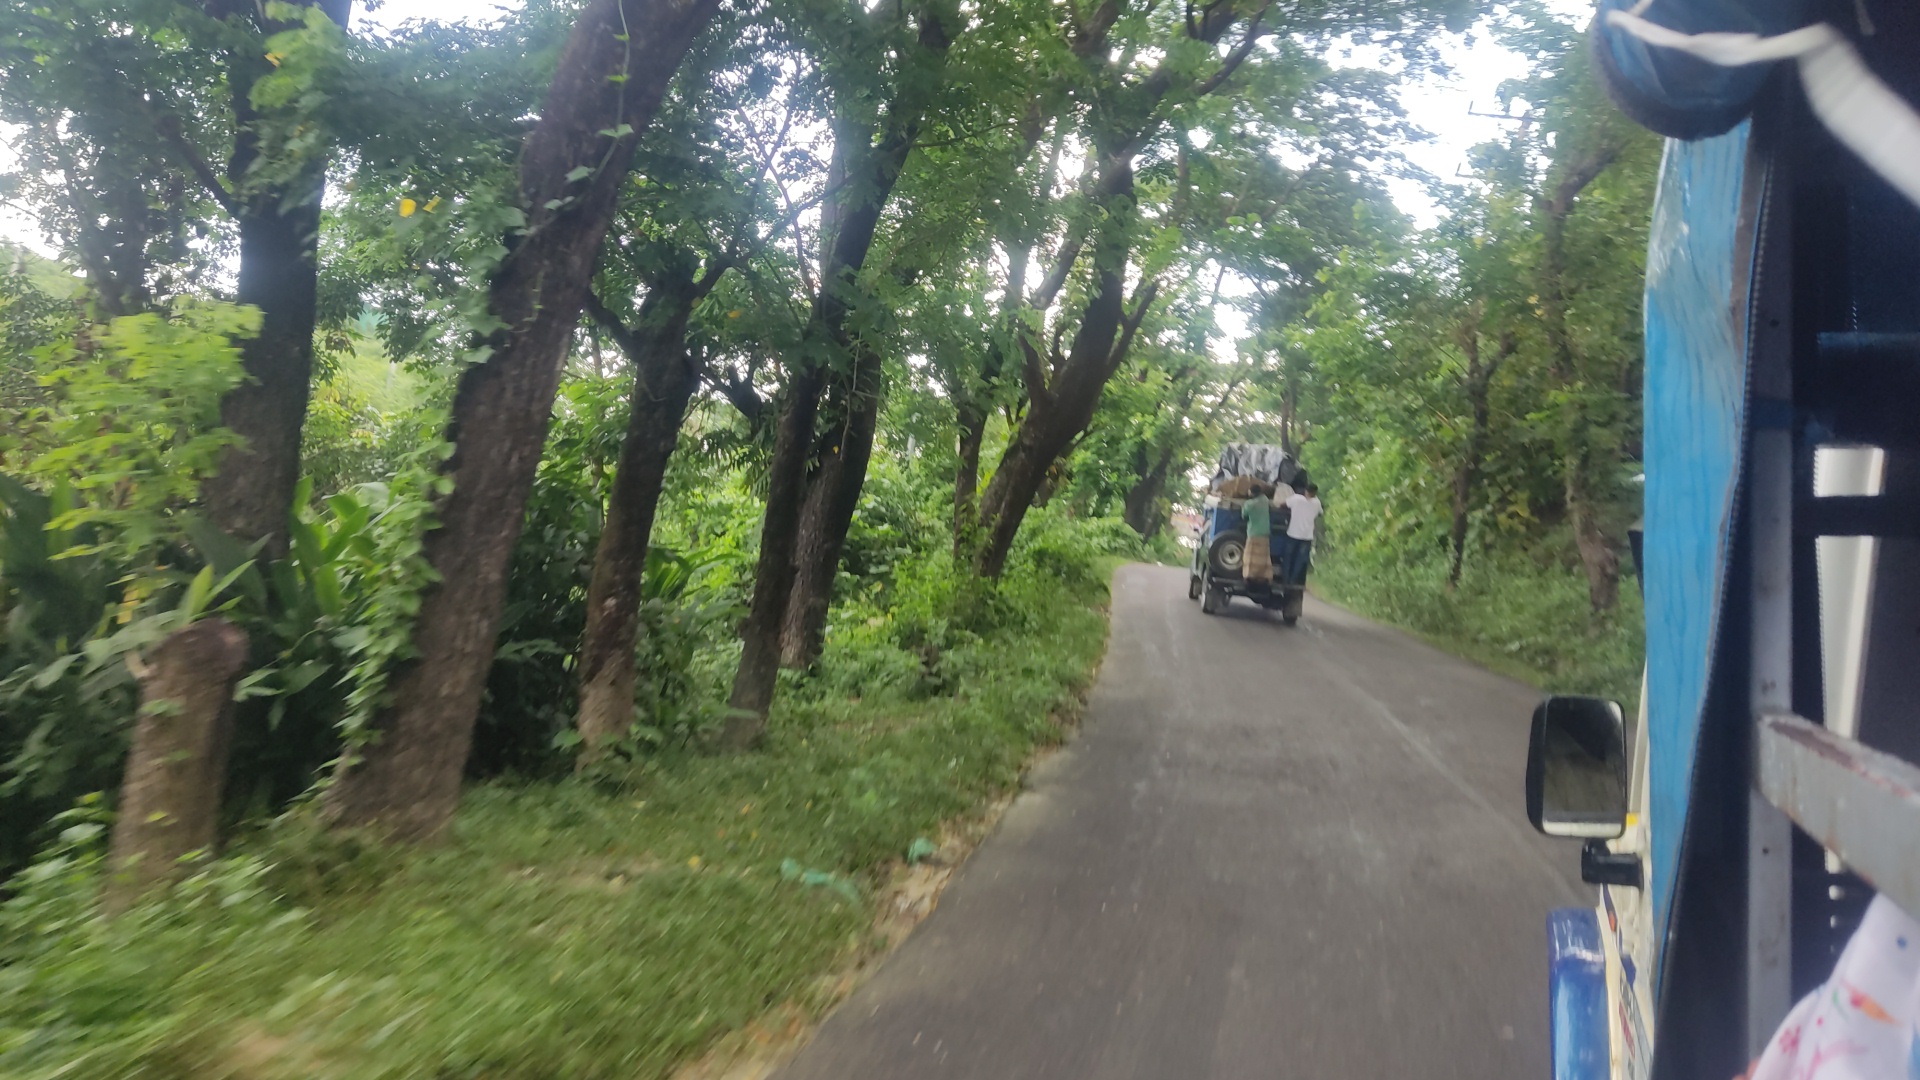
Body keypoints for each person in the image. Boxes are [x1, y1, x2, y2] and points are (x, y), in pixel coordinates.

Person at [1279, 483, 1320, 585]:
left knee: (1288, 557)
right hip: (1307, 536)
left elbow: (1282, 504)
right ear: (1315, 493)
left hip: (1293, 533)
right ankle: (1293, 580)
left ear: (1306, 490)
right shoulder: (1317, 503)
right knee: (1300, 560)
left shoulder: (1296, 499)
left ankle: (1285, 579)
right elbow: (1320, 512)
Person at [1242, 485, 1273, 582]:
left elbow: (1244, 516)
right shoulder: (1265, 500)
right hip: (1265, 532)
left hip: (1253, 533)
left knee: (1250, 556)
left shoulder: (1249, 504)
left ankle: (1249, 575)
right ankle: (1263, 575)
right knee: (1263, 556)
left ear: (1251, 493)